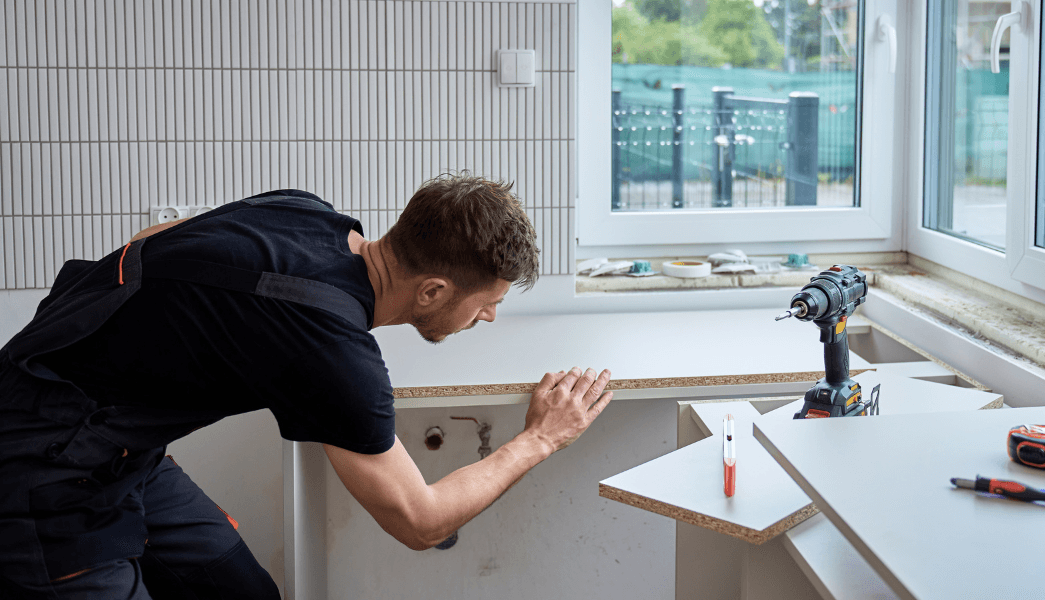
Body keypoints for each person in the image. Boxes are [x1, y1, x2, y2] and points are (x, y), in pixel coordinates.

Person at [0, 173, 614, 599]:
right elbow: (419, 522)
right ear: (432, 290)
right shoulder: (334, 352)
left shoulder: (306, 211)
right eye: (486, 303)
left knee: (237, 592)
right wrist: (540, 439)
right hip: (42, 471)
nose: (489, 319)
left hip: (118, 448)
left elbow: (147, 242)